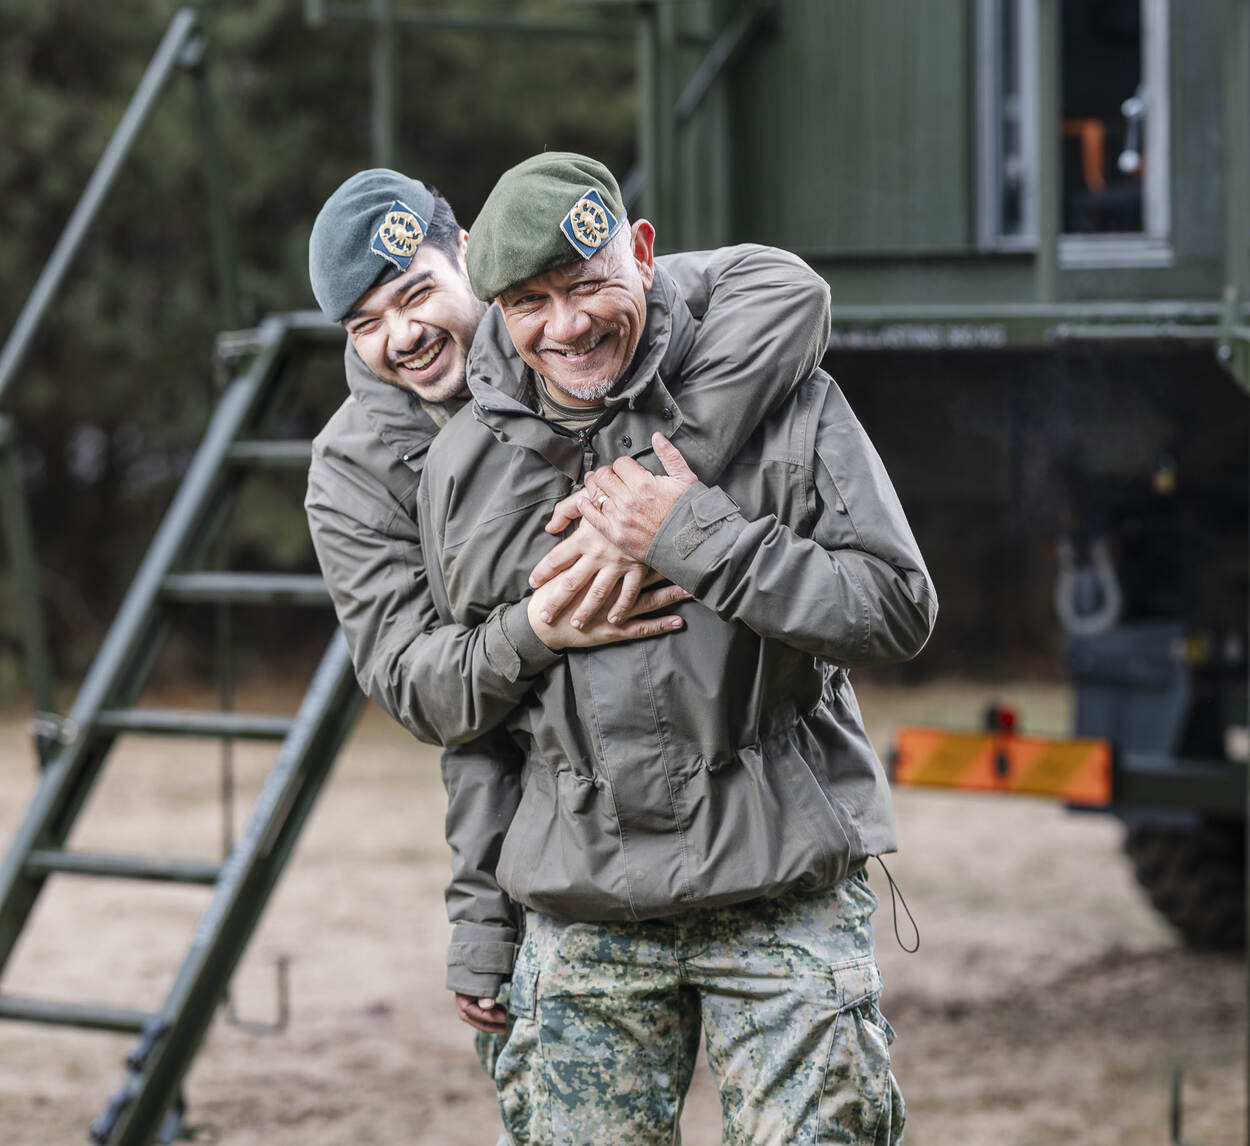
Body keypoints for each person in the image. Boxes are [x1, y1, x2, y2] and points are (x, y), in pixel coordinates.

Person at [415, 152, 937, 1144]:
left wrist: (694, 539)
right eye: (527, 302)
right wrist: (483, 923)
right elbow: (475, 729)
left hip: (779, 890)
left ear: (643, 254)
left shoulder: (780, 397)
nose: (564, 326)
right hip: (583, 912)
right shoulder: (462, 469)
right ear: (493, 311)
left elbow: (895, 608)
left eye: (586, 285)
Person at [302, 169, 835, 1040]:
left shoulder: (573, 331)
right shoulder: (356, 469)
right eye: (367, 326)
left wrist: (660, 480)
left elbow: (786, 290)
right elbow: (428, 694)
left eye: (417, 295)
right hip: (552, 860)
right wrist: (535, 632)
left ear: (469, 256)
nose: (403, 337)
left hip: (744, 815)